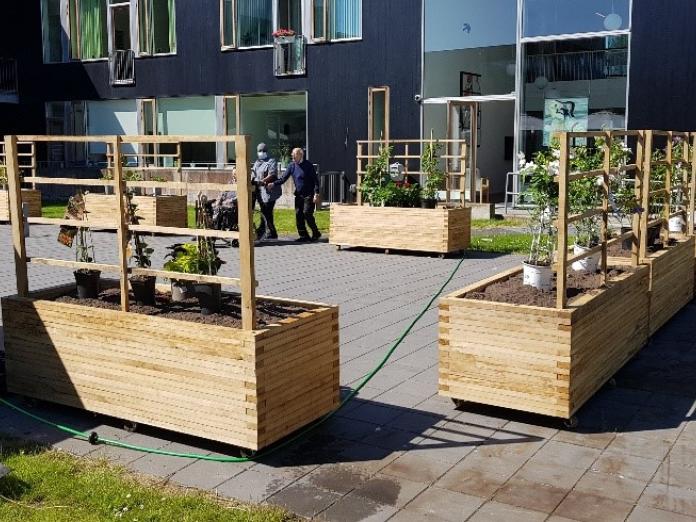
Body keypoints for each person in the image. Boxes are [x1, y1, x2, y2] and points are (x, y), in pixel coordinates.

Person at [269, 147, 321, 242]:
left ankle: (316, 232)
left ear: (300, 155)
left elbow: (316, 180)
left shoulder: (308, 165)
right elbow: (283, 179)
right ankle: (303, 236)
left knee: (307, 213)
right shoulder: (292, 166)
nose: (292, 156)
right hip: (299, 195)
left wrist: (316, 193)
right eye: (292, 154)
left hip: (309, 194)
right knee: (298, 214)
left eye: (294, 154)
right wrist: (273, 184)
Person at [250, 143, 281, 240]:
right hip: (260, 192)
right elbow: (253, 173)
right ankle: (271, 232)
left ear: (266, 151)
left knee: (266, 212)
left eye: (263, 151)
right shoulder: (257, 162)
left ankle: (266, 231)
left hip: (270, 192)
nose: (261, 153)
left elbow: (272, 174)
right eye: (259, 151)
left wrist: (263, 181)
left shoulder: (271, 161)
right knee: (266, 212)